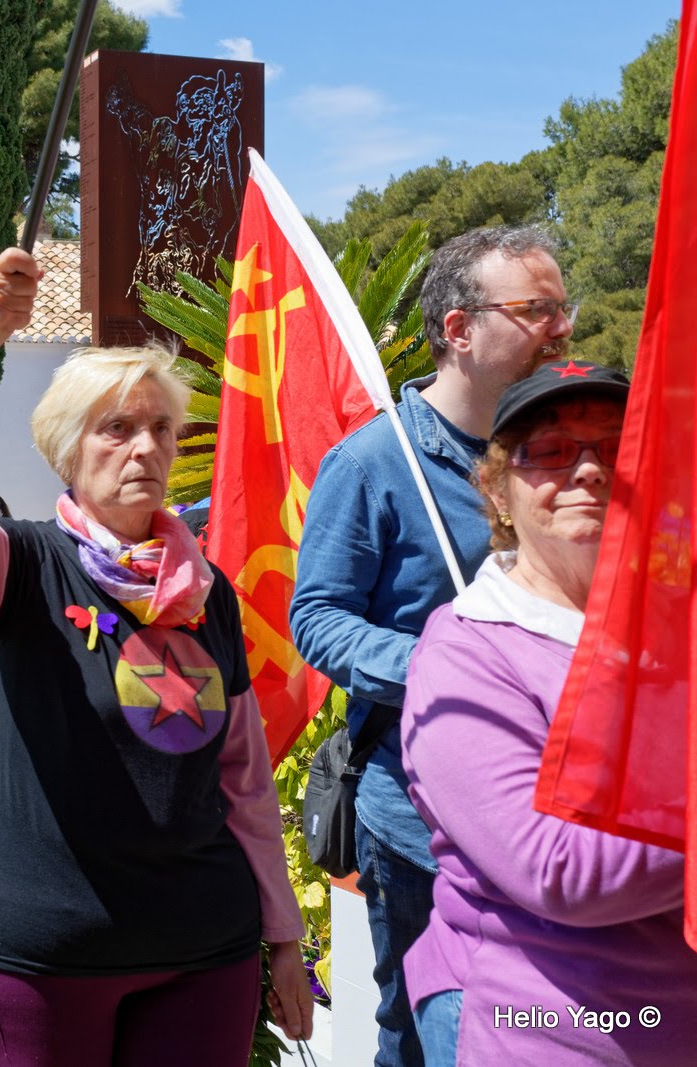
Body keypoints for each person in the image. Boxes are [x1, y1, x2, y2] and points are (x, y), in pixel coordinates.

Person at [0, 247, 311, 1065]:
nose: (144, 447)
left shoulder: (209, 590)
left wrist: (283, 936)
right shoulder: (17, 563)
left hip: (201, 948)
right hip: (42, 955)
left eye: (160, 428)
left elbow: (243, 776)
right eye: (117, 428)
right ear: (68, 450)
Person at [290, 224, 575, 1067]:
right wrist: (448, 666)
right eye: (535, 309)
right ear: (458, 329)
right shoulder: (375, 462)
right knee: (427, 1028)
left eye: (564, 306)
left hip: (559, 810)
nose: (561, 327)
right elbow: (319, 617)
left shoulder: (565, 454)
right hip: (418, 813)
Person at [400, 360, 697, 1065]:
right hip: (545, 1020)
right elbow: (554, 868)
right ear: (500, 491)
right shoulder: (467, 655)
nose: (589, 471)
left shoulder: (676, 627)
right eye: (552, 451)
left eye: (617, 448)